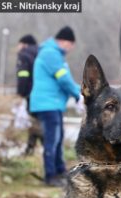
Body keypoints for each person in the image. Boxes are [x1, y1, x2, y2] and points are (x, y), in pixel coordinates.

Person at [30, 26, 82, 187]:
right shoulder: (50, 54)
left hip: (54, 104)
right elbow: (64, 79)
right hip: (47, 103)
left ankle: (60, 171)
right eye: (70, 44)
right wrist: (78, 95)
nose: (71, 48)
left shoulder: (55, 54)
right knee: (52, 140)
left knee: (58, 138)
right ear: (64, 41)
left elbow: (65, 78)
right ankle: (50, 175)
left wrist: (79, 93)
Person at [16, 34, 42, 155]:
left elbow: (23, 76)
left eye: (19, 44)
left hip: (30, 93)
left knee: (34, 120)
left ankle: (42, 148)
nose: (18, 47)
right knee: (37, 119)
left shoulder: (24, 55)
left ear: (25, 44)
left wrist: (21, 93)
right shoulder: (41, 53)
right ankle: (30, 148)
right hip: (42, 92)